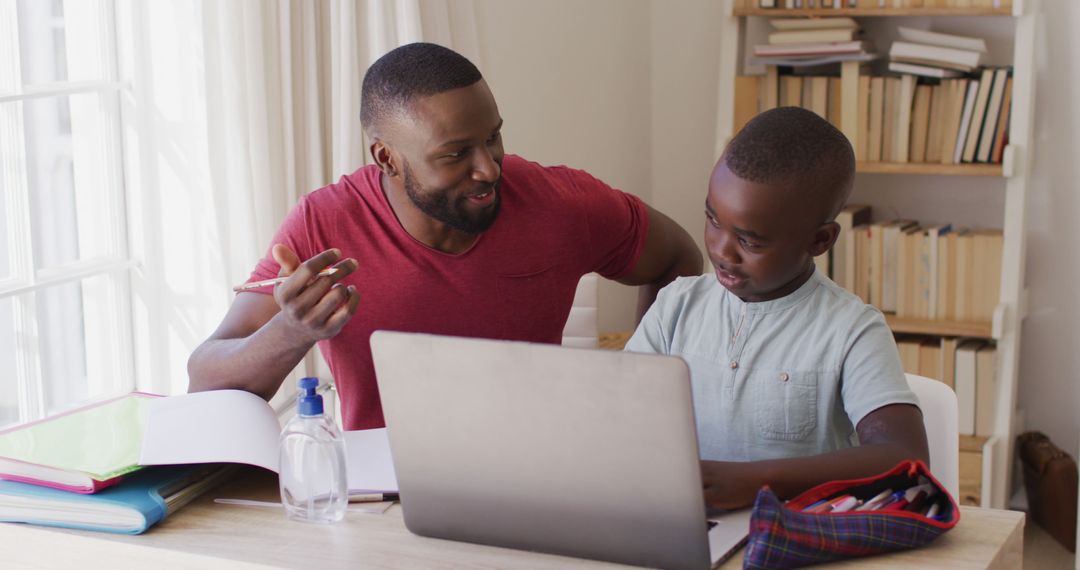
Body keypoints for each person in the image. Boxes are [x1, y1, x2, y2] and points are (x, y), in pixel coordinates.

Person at [187, 42, 702, 430]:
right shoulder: (325, 225)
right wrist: (293, 330)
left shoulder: (561, 202)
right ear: (387, 158)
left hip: (538, 476)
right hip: (387, 498)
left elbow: (677, 257)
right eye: (456, 154)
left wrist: (640, 391)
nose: (489, 169)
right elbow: (204, 379)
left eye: (493, 137)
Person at [624, 107, 929, 510]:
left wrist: (754, 482)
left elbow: (905, 456)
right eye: (713, 220)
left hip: (794, 538)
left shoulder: (851, 330)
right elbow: (619, 415)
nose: (721, 250)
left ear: (819, 240)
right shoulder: (677, 306)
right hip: (686, 528)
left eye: (750, 242)